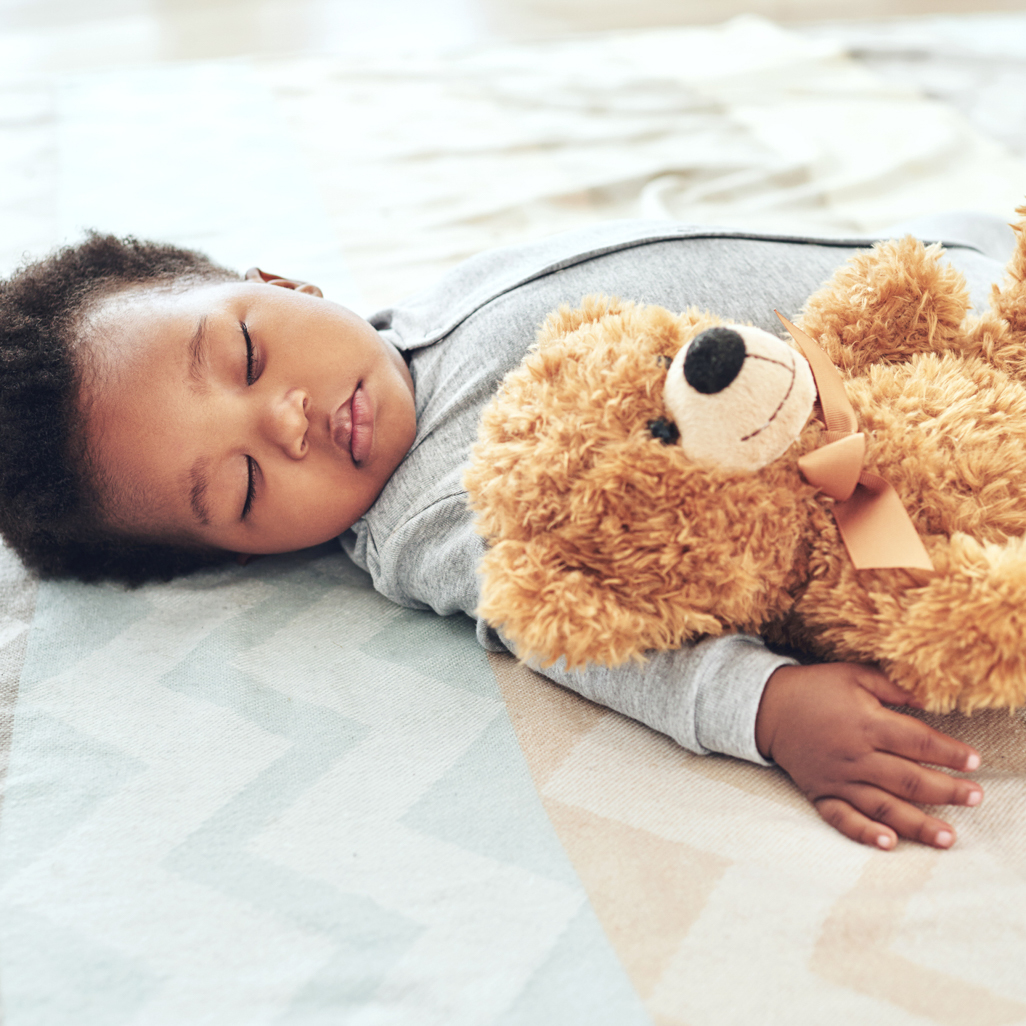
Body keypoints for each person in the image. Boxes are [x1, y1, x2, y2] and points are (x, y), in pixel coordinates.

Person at [1, 219, 1002, 851]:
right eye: (245, 485)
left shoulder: (426, 313)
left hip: (948, 279)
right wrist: (763, 706)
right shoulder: (435, 516)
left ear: (284, 282)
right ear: (244, 556)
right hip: (907, 445)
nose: (286, 420)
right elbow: (572, 632)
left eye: (248, 351)